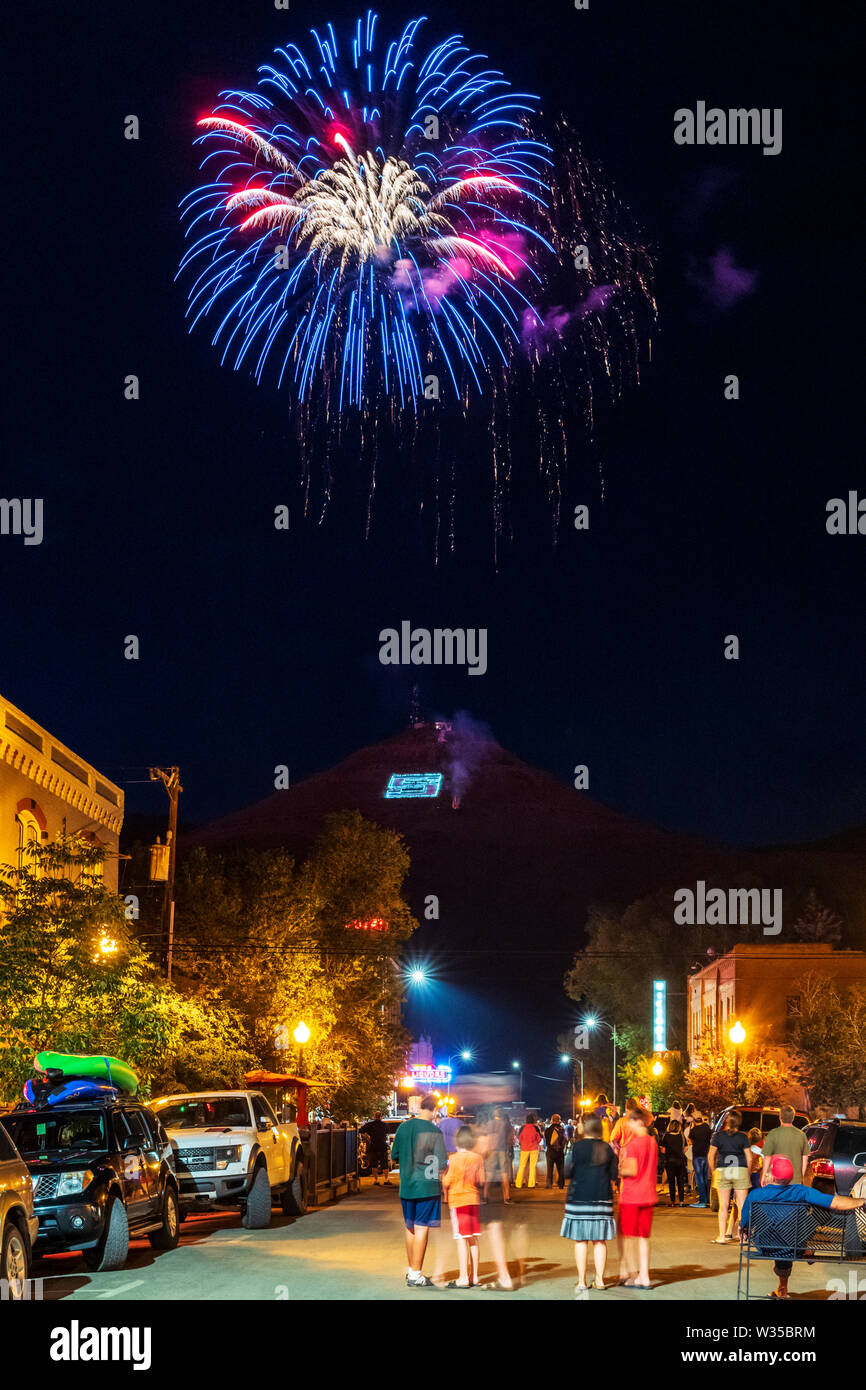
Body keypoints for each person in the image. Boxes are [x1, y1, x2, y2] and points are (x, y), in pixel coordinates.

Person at [741, 1153, 865, 1299]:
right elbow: (836, 1203)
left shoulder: (755, 1195)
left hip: (765, 1246)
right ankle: (805, 1251)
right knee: (806, 1218)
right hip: (794, 1246)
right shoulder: (801, 1191)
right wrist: (861, 1201)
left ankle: (783, 1287)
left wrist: (745, 1231)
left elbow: (744, 1226)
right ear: (790, 1176)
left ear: (772, 1175)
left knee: (778, 1232)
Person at [389, 1095, 448, 1287]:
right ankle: (416, 1274)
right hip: (427, 1186)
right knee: (422, 1227)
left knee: (410, 1227)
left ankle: (411, 1269)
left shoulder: (404, 1127)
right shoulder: (433, 1130)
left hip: (407, 1185)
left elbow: (394, 1154)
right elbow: (441, 1161)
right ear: (434, 1109)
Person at [561, 1114, 618, 1292]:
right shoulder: (607, 1148)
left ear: (585, 1126)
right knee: (599, 1241)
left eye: (579, 1124)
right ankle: (600, 1280)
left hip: (579, 1198)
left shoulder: (577, 1147)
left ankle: (581, 1281)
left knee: (581, 1241)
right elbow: (614, 1175)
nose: (577, 1126)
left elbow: (567, 1171)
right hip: (602, 1197)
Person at [617, 1107, 658, 1288]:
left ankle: (630, 1272)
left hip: (632, 1195)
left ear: (638, 1122)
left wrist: (618, 1169)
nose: (628, 1124)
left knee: (627, 1237)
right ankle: (645, 1275)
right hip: (648, 1194)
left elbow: (631, 1170)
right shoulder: (652, 1142)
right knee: (643, 1238)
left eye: (630, 1121)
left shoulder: (633, 1144)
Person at [441, 1125, 485, 1287]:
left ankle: (463, 1278)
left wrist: (443, 1180)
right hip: (473, 1199)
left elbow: (448, 1180)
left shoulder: (453, 1158)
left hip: (459, 1201)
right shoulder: (478, 1158)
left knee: (461, 1240)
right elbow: (480, 1180)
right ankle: (475, 1277)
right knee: (473, 1239)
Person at [708, 1109, 752, 1244]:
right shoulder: (743, 1137)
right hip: (740, 1170)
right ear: (739, 1122)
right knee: (741, 1205)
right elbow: (749, 1158)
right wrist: (748, 1173)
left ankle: (722, 1236)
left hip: (724, 1169)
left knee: (723, 1205)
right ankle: (743, 1237)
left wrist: (714, 1171)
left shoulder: (718, 1136)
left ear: (727, 1120)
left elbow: (711, 1156)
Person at [761, 1106, 810, 1183]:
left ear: (780, 1117)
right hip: (795, 1181)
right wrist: (801, 1177)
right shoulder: (801, 1135)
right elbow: (805, 1158)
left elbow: (767, 1157)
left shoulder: (772, 1134)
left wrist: (764, 1175)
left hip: (776, 1181)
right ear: (793, 1118)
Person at [688, 1111, 713, 1208]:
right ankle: (707, 1198)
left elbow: (689, 1141)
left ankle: (702, 1201)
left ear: (694, 1120)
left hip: (697, 1157)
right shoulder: (707, 1128)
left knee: (699, 1179)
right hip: (706, 1155)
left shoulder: (693, 1130)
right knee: (706, 1178)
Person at [361, 1111, 392, 1186]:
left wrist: (367, 1136)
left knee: (374, 1164)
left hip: (373, 1146)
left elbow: (361, 1130)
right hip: (382, 1146)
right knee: (384, 1164)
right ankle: (386, 1179)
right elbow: (388, 1132)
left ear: (374, 1116)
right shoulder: (384, 1125)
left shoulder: (370, 1125)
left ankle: (376, 1180)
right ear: (381, 1116)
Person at [661, 1120, 687, 1207]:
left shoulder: (666, 1136)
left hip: (670, 1161)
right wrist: (680, 1152)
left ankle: (672, 1201)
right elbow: (686, 1147)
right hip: (680, 1161)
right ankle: (681, 1201)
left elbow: (663, 1150)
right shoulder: (681, 1136)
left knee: (671, 1182)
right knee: (680, 1182)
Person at [515, 1112, 542, 1189]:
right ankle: (531, 1184)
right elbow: (539, 1139)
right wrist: (535, 1143)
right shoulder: (536, 1128)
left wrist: (523, 1143)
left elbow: (519, 1139)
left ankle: (518, 1183)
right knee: (532, 1166)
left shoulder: (522, 1128)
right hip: (534, 1149)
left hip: (524, 1149)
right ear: (533, 1120)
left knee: (522, 1166)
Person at [544, 1113, 567, 1191]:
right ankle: (561, 1184)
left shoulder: (547, 1130)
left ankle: (549, 1184)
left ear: (552, 1120)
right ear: (559, 1120)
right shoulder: (562, 1129)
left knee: (549, 1169)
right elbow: (565, 1140)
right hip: (559, 1152)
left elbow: (546, 1141)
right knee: (560, 1169)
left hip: (550, 1151)